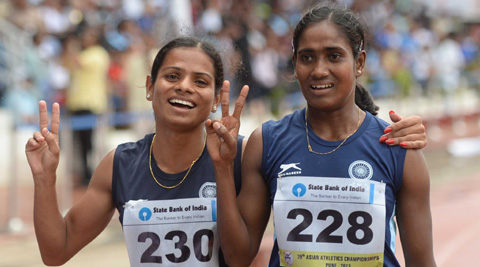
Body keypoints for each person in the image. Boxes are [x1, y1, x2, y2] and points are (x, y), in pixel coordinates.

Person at [26, 37, 424, 267]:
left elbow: (323, 175)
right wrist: (44, 180)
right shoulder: (120, 164)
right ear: (149, 87)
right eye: (172, 76)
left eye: (200, 81)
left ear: (217, 98)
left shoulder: (240, 156)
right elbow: (56, 250)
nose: (183, 87)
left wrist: (380, 133)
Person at [208, 3, 435, 267]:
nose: (318, 70)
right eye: (307, 58)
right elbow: (237, 258)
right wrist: (223, 168)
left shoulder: (397, 149)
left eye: (334, 56)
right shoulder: (266, 143)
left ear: (359, 62)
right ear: (295, 64)